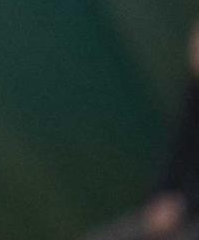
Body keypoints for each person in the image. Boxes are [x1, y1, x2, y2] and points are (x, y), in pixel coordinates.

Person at [82, 20, 199, 240]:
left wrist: (185, 204)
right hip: (174, 205)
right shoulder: (194, 92)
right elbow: (178, 148)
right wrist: (162, 196)